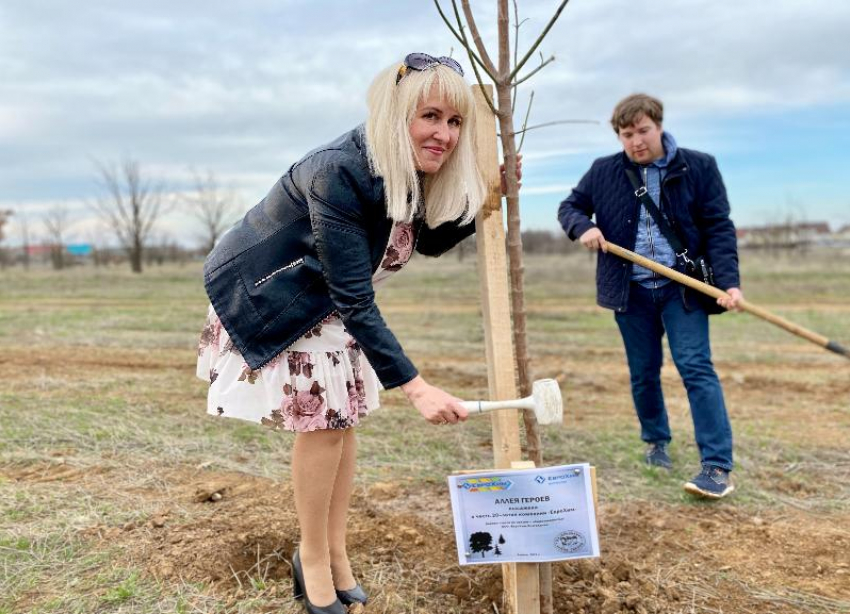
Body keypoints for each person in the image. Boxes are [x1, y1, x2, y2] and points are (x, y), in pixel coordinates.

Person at [197, 53, 515, 614]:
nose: (444, 134)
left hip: (327, 301)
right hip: (278, 296)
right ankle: (313, 557)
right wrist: (416, 387)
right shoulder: (339, 171)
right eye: (431, 116)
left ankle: (333, 551)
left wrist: (490, 199)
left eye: (455, 122)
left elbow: (427, 241)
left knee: (340, 424)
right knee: (322, 425)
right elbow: (353, 296)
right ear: (397, 114)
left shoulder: (405, 169)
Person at [557, 93, 742, 500]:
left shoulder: (699, 166)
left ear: (658, 125)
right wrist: (582, 227)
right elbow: (569, 206)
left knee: (696, 368)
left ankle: (715, 465)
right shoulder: (604, 171)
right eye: (628, 134)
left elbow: (719, 227)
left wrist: (729, 283)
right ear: (619, 137)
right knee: (643, 373)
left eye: (643, 130)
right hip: (631, 291)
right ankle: (656, 443)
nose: (637, 141)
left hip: (683, 289)